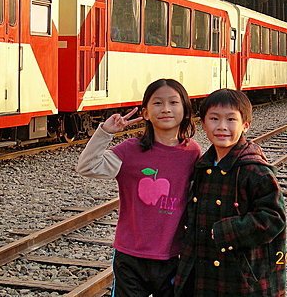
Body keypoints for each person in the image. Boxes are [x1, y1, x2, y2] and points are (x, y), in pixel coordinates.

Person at [76, 78, 201, 297]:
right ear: (145, 112)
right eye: (157, 103)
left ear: (185, 110)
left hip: (173, 256)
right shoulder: (131, 150)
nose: (166, 109)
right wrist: (105, 132)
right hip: (130, 255)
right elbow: (87, 166)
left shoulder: (192, 153)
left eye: (173, 103)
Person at [175, 89, 286, 297]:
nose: (222, 127)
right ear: (204, 123)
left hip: (240, 277)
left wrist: (225, 231)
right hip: (202, 270)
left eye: (231, 119)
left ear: (245, 124)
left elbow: (274, 218)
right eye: (214, 119)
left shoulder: (255, 170)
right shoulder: (202, 166)